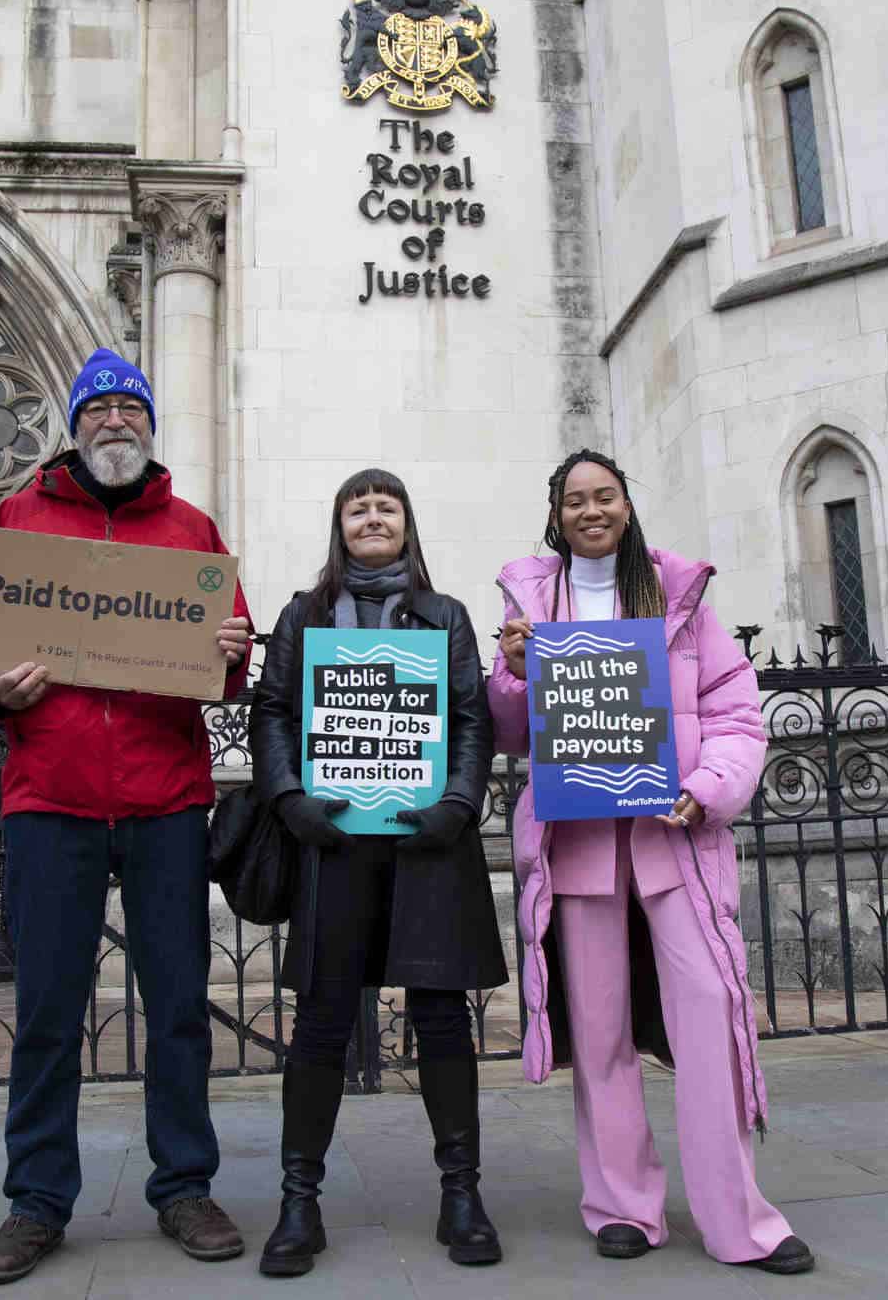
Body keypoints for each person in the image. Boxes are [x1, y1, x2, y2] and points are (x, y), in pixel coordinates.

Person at [0, 348, 254, 1285]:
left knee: (177, 1008)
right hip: (51, 800)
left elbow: (226, 665)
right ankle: (36, 1201)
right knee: (45, 1009)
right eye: (99, 411)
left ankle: (184, 1186)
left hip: (165, 799)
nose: (115, 422)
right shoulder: (18, 518)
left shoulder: (191, 529)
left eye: (130, 410)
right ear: (74, 426)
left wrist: (232, 651)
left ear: (149, 426)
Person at [487, 449, 815, 1276]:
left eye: (604, 497)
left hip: (675, 843)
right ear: (555, 516)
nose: (589, 511)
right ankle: (621, 1206)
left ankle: (740, 1220)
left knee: (709, 1021)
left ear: (627, 507)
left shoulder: (681, 601)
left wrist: (706, 789)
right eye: (573, 501)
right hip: (581, 850)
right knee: (598, 1034)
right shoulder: (533, 607)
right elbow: (510, 732)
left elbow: (737, 715)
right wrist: (516, 677)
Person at [249, 468, 507, 1277]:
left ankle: (460, 1195)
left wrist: (459, 804)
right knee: (322, 1021)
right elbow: (273, 712)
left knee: (439, 1016)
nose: (371, 516)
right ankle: (300, 1203)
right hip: (334, 842)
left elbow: (469, 717)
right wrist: (289, 798)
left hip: (428, 842)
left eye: (384, 506)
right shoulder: (304, 615)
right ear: (339, 525)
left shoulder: (447, 616)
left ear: (406, 524)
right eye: (357, 507)